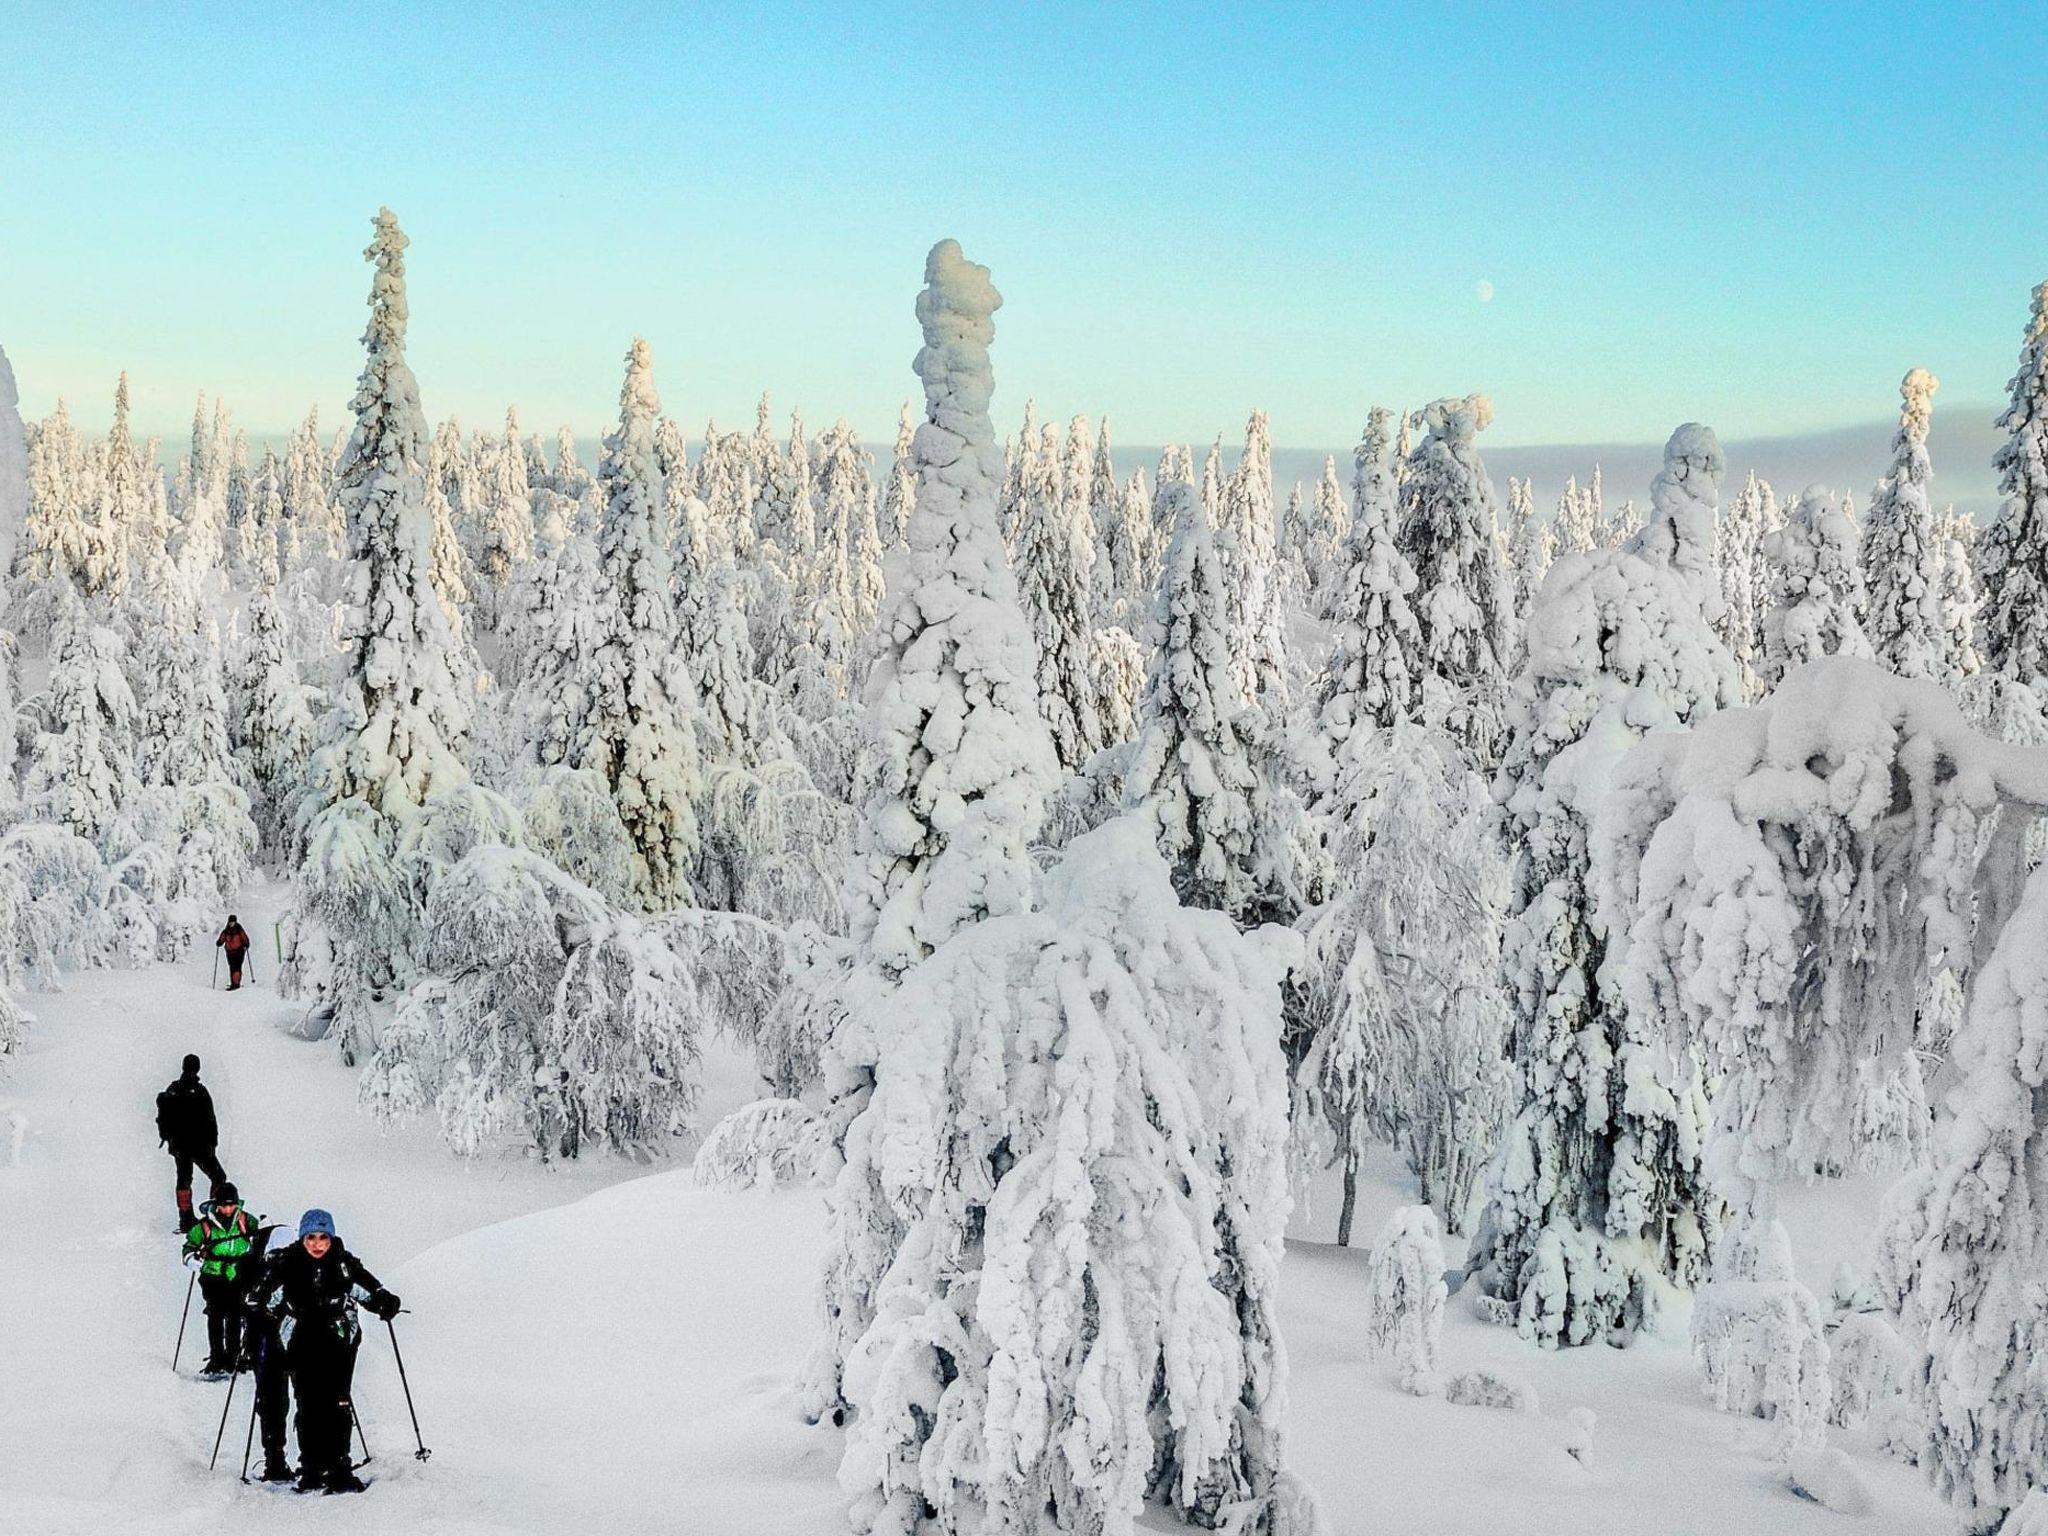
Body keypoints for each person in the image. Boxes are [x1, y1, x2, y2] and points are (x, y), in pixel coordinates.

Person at [260, 1209, 401, 1495]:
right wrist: (257, 1306)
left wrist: (385, 1301)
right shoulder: (287, 1264)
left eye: (323, 1237)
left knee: (338, 1401)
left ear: (331, 1237)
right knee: (308, 1402)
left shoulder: (344, 1264)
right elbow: (266, 1297)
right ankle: (311, 1467)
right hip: (299, 1338)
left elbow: (368, 1291)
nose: (317, 1243)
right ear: (302, 1238)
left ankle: (339, 1466)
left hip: (339, 1338)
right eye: (311, 1237)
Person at [240, 1219, 300, 1481]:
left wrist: (247, 1346)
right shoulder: (296, 1260)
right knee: (308, 1399)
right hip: (294, 1340)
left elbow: (245, 1305)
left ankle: (275, 1461)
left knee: (271, 1401)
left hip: (265, 1344)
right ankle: (314, 1461)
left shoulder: (254, 1262)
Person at [182, 1181, 255, 1376]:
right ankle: (216, 1357)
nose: (228, 1209)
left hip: (238, 1274)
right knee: (215, 1316)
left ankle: (232, 1358)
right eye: (224, 1205)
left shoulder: (245, 1220)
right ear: (217, 1204)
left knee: (235, 1315)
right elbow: (190, 1245)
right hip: (213, 1276)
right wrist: (191, 1260)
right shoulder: (205, 1225)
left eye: (231, 1204)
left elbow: (260, 1235)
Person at [155, 1054, 227, 1230]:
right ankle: (215, 1215)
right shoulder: (200, 1092)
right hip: (200, 1146)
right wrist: (212, 1144)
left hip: (179, 1146)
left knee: (184, 1180)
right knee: (218, 1176)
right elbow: (211, 1120)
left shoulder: (172, 1090)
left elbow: (163, 1117)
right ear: (197, 1068)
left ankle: (186, 1219)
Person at [215, 915, 252, 991]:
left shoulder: (239, 930)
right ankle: (233, 983)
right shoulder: (226, 931)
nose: (231, 924)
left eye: (233, 922)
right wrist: (219, 942)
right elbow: (222, 938)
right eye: (230, 922)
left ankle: (236, 984)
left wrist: (246, 944)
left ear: (235, 922)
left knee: (237, 967)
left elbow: (244, 937)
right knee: (232, 967)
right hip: (230, 952)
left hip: (239, 951)